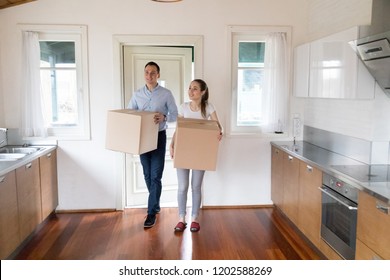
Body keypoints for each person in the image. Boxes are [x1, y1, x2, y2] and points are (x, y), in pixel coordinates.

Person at [128, 61, 178, 228]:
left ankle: (150, 213)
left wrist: (164, 117)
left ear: (158, 75)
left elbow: (175, 115)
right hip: (142, 138)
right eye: (147, 72)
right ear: (144, 74)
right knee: (147, 175)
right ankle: (155, 205)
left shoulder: (166, 94)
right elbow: (129, 114)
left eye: (153, 73)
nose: (149, 76)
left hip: (159, 137)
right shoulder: (136, 95)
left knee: (156, 175)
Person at [169, 79, 222, 233]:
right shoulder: (183, 107)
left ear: (203, 92)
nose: (190, 91)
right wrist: (172, 144)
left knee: (196, 186)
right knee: (182, 187)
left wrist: (220, 133)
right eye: (190, 88)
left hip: (200, 152)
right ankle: (181, 219)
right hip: (183, 149)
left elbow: (217, 126)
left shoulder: (208, 107)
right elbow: (179, 129)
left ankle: (194, 219)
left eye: (195, 89)